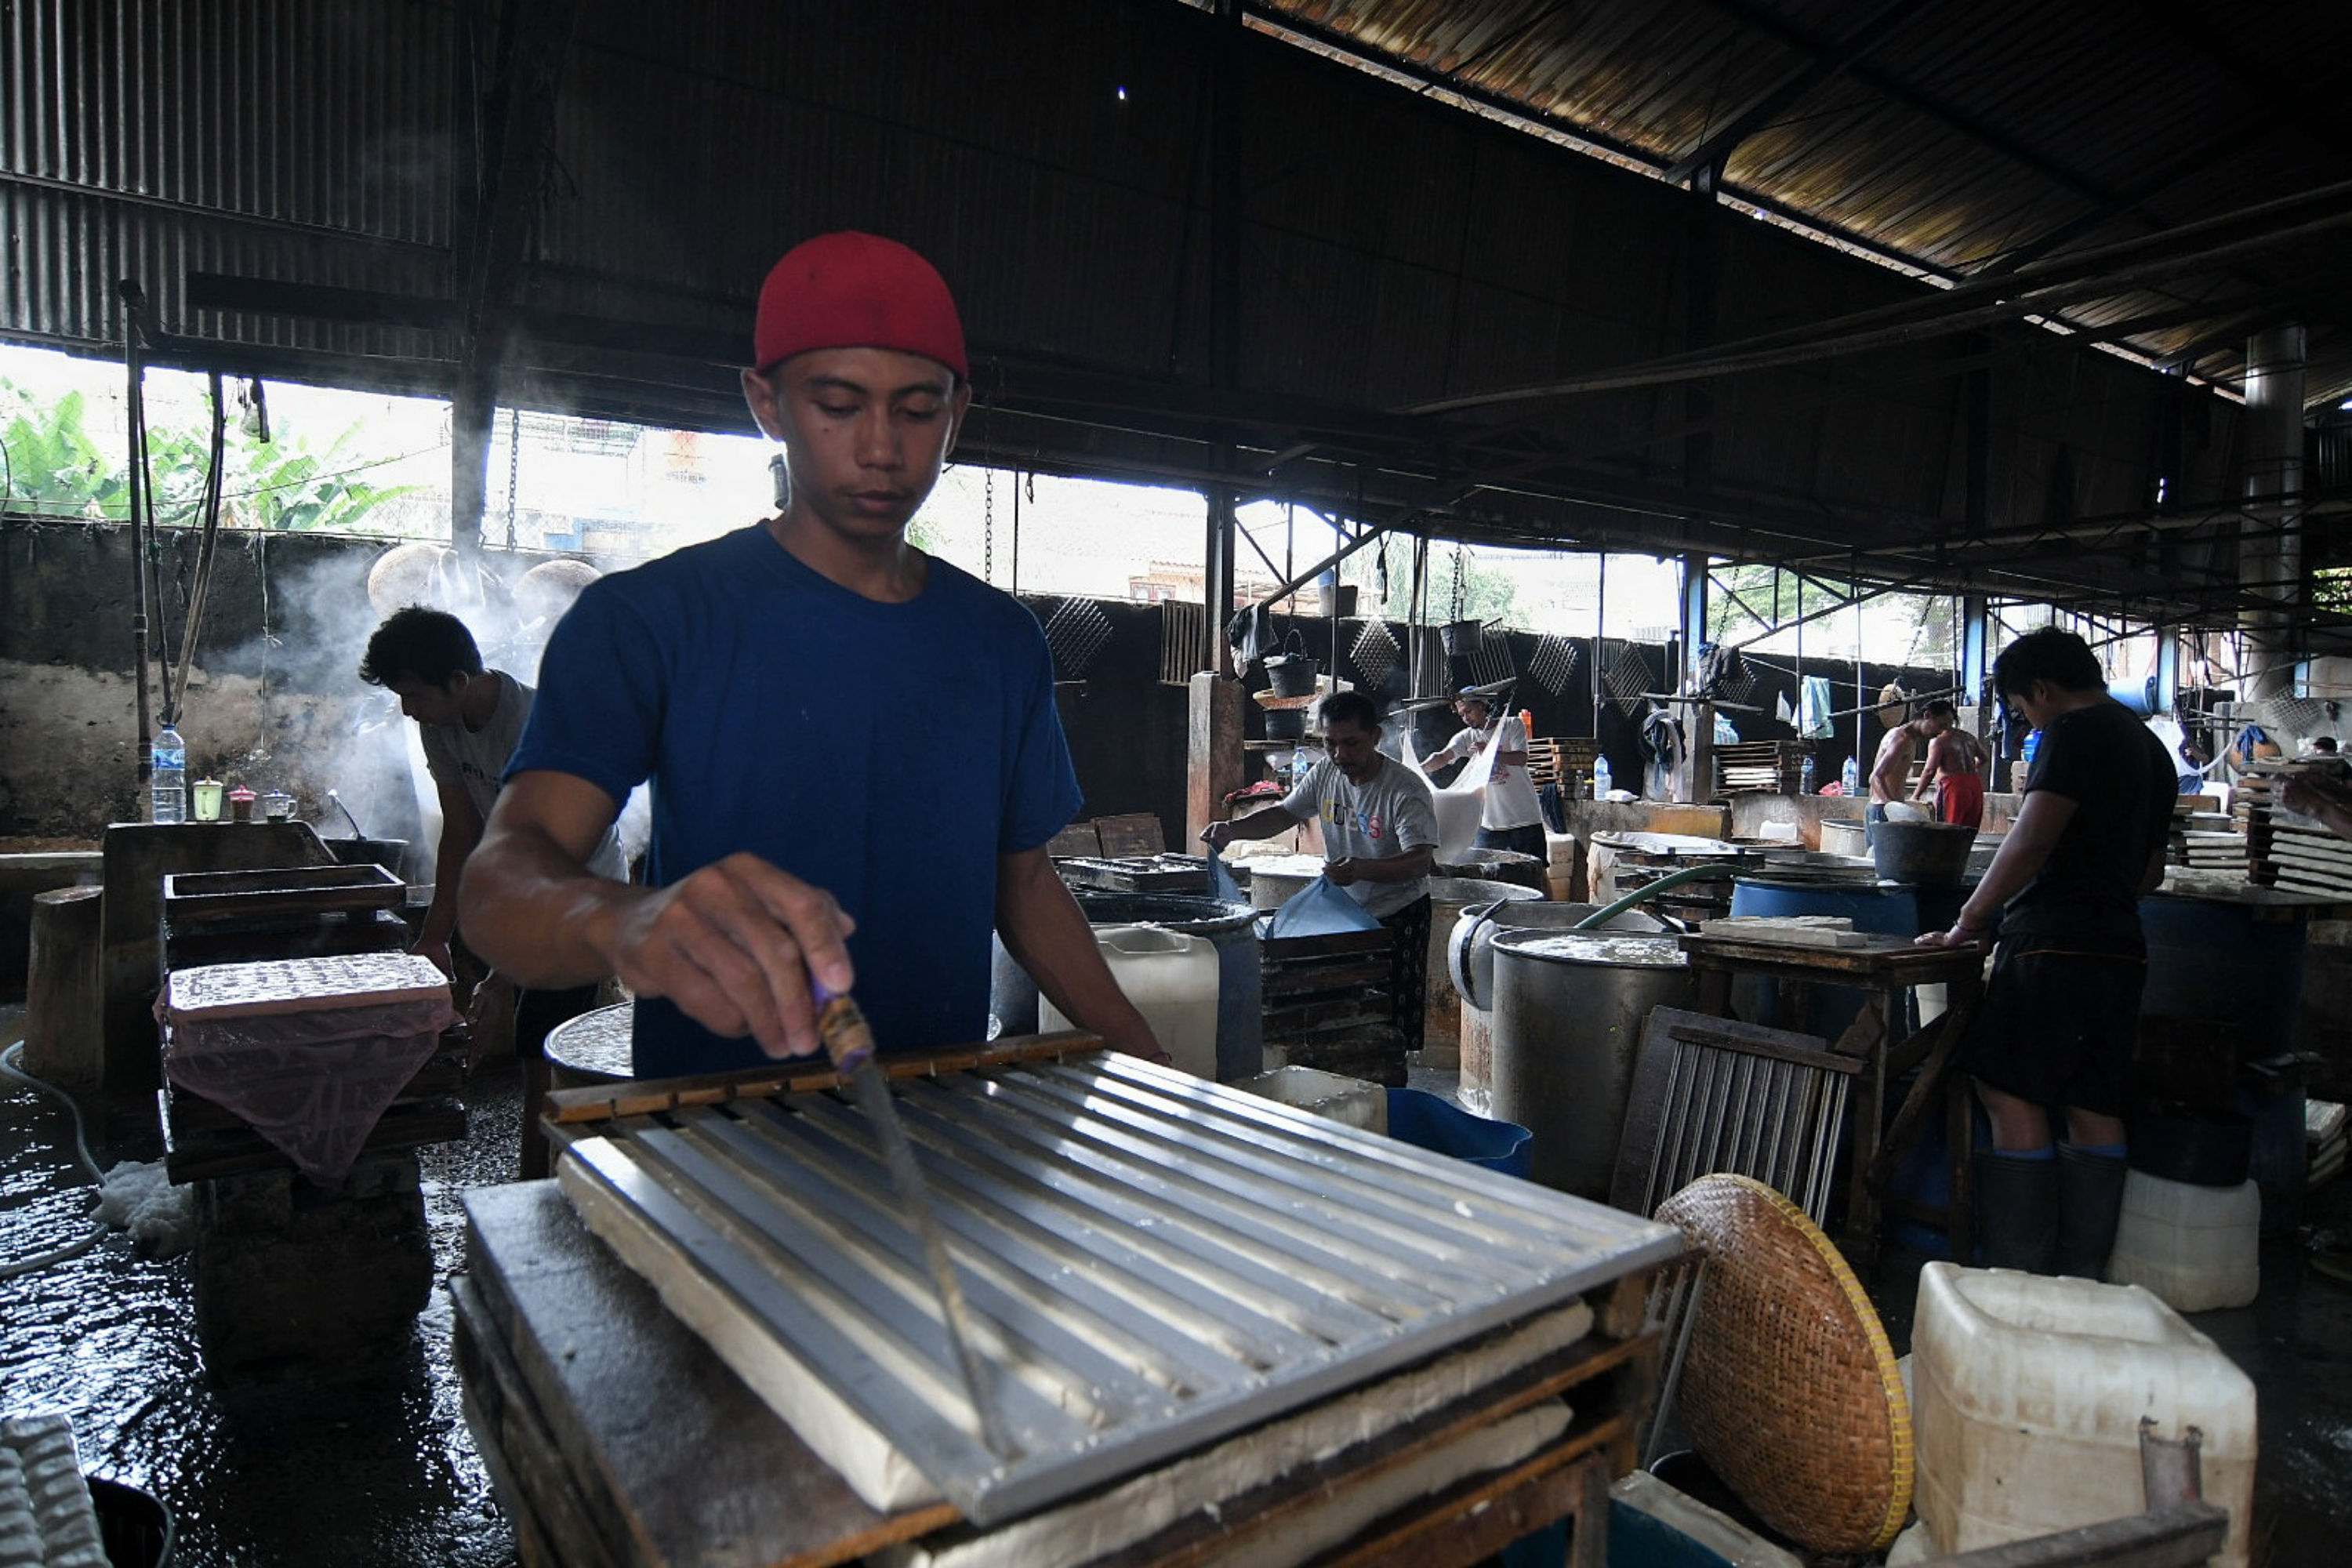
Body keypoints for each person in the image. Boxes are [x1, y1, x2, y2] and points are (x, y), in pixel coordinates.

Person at [457, 232, 1158, 1078]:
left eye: (916, 408)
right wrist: (623, 918)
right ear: (766, 402)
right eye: (837, 403)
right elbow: (499, 880)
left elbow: (1027, 884)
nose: (880, 447)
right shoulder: (652, 619)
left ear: (957, 412)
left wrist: (1153, 1059)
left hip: (942, 1125)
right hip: (720, 1130)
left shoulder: (999, 640)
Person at [1918, 627, 2176, 1278]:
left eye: (2021, 707)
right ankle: (2082, 1282)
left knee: (2010, 1093)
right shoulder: (2149, 746)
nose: (2025, 719)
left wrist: (1969, 922)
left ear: (2042, 688)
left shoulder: (2074, 731)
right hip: (2119, 943)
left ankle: (2018, 1278)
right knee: (2094, 1104)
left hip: (2052, 944)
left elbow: (2031, 840)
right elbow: (2151, 875)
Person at [358, 605, 625, 1176]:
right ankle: (545, 1171)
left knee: (541, 1048)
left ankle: (543, 1180)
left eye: (414, 694)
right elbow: (462, 831)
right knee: (527, 1036)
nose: (407, 709)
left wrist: (502, 975)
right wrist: (433, 938)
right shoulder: (439, 726)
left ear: (458, 681)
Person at [1204, 690, 1439, 1058]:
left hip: (1398, 915)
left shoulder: (1404, 790)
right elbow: (1285, 813)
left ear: (1375, 737)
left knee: (1392, 1023)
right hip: (1345, 912)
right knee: (1344, 1012)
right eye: (1330, 743)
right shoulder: (1327, 771)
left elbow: (1419, 862)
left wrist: (1363, 869)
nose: (1339, 754)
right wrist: (1232, 831)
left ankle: (1393, 1091)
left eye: (1351, 744)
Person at [1424, 685, 1545, 860]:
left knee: (1534, 871)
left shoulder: (1512, 725)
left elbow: (1521, 758)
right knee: (1486, 871)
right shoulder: (1466, 737)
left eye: (1469, 711)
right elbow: (1443, 756)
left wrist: (1490, 753)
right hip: (1490, 823)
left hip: (1524, 819)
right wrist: (1418, 768)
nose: (1466, 718)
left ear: (1482, 705)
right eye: (1462, 715)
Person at [1867, 702, 1951, 826]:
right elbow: (1875, 777)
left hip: (1882, 809)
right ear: (1927, 715)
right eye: (1940, 726)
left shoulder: (1909, 738)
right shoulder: (1901, 739)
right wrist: (1893, 810)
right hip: (1883, 811)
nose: (1940, 732)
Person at [1909, 699, 1987, 829]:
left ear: (1928, 716)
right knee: (1968, 831)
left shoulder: (1939, 741)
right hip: (1974, 784)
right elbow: (1984, 758)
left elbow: (1930, 770)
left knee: (1948, 830)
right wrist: (1970, 771)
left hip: (1954, 787)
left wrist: (1915, 795)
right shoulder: (1969, 737)